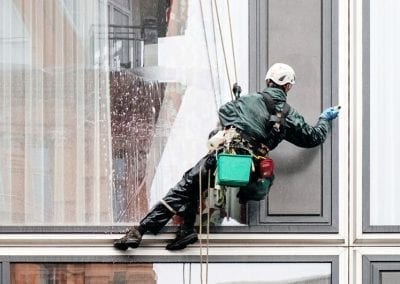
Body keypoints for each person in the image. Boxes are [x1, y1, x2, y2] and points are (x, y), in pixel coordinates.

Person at [113, 63, 339, 251]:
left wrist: (238, 105)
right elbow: (312, 138)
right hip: (252, 169)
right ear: (288, 86)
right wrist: (324, 119)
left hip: (227, 158)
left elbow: (224, 112)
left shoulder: (248, 100)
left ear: (268, 81)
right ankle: (186, 230)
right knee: (195, 185)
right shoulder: (290, 116)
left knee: (187, 184)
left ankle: (140, 230)